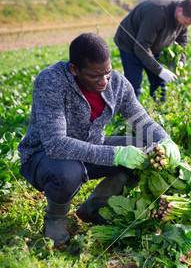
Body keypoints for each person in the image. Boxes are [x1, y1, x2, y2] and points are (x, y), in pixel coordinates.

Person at [18, 33, 181, 246]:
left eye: (107, 73)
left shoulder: (118, 84)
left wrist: (166, 141)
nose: (104, 81)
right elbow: (56, 144)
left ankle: (95, 208)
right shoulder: (51, 81)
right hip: (44, 156)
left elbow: (142, 121)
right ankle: (56, 218)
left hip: (90, 148)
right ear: (74, 70)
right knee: (69, 172)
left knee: (145, 149)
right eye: (95, 76)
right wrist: (116, 155)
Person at [114, 0, 191, 102]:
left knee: (159, 84)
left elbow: (182, 42)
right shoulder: (157, 14)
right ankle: (133, 117)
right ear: (180, 10)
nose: (186, 26)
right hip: (130, 44)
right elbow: (141, 47)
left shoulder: (184, 15)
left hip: (153, 45)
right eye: (186, 23)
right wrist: (160, 70)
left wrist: (180, 62)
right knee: (134, 87)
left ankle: (160, 111)